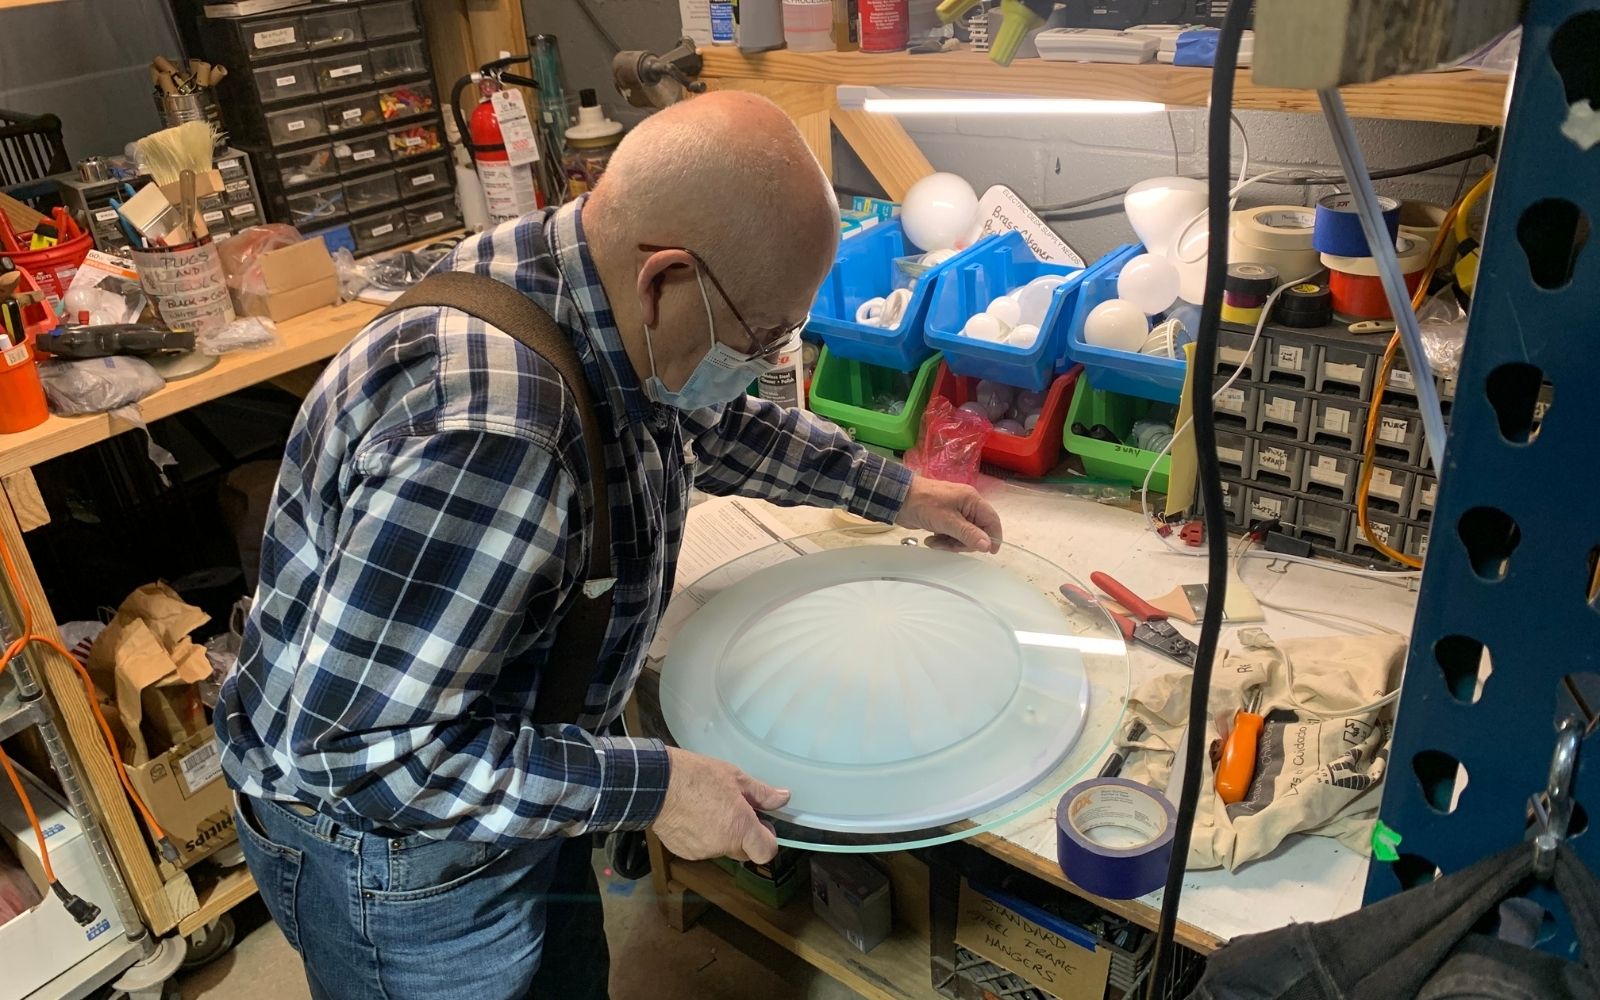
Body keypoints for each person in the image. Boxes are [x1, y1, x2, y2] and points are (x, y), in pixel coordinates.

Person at [217, 91, 1002, 1000]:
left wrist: (895, 488)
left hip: (522, 781)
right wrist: (652, 787)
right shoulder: (495, 436)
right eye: (762, 339)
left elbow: (696, 418)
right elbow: (361, 752)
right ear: (664, 279)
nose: (762, 361)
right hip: (405, 859)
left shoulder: (573, 272)